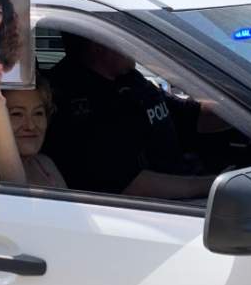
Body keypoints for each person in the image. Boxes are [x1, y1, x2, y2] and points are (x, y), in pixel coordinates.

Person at [45, 35, 218, 200]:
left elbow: (192, 117)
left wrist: (237, 101)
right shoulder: (72, 98)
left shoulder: (130, 79)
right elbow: (128, 183)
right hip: (153, 208)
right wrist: (211, 184)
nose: (134, 46)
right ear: (98, 46)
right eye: (124, 40)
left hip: (184, 186)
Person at [0, 56, 65, 187]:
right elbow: (14, 199)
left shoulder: (45, 164)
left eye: (38, 113)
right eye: (17, 114)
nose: (31, 126)